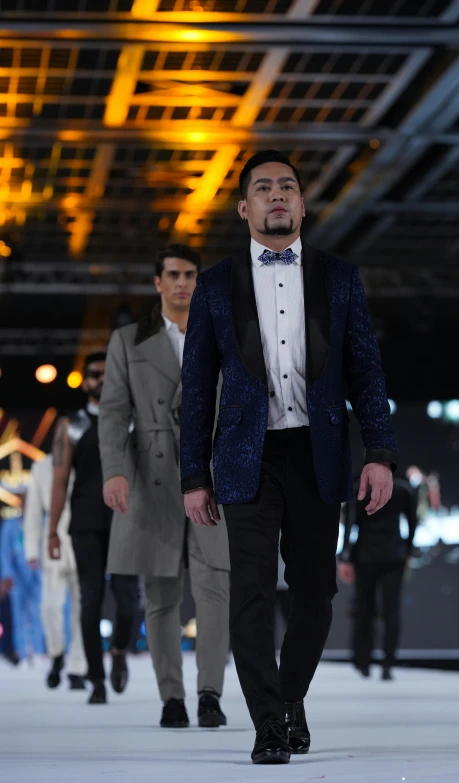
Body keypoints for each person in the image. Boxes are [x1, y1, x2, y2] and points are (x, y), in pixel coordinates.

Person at [180, 150, 398, 764]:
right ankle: (267, 726)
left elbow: (367, 372)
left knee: (315, 593)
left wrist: (379, 451)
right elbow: (196, 387)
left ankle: (289, 698)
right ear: (244, 206)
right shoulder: (216, 284)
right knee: (249, 591)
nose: (276, 196)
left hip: (317, 450)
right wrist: (193, 476)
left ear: (303, 205)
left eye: (287, 187)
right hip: (245, 456)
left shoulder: (339, 278)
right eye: (263, 188)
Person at [99, 244, 230, 729]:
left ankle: (210, 693)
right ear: (158, 282)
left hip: (210, 473)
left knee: (216, 585)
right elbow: (113, 412)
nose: (182, 283)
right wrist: (115, 470)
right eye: (173, 274)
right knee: (162, 593)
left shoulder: (220, 336)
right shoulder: (127, 342)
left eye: (190, 274)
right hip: (151, 474)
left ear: (199, 280)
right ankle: (171, 697)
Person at [48, 352, 139, 705]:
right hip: (85, 522)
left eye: (106, 373)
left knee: (129, 600)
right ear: (84, 380)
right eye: (93, 374)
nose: (99, 380)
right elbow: (59, 482)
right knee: (90, 601)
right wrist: (52, 530)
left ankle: (118, 651)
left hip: (128, 518)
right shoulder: (69, 425)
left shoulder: (133, 420)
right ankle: (96, 679)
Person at [338, 475, 418, 681]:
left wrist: (345, 556)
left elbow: (350, 524)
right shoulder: (403, 488)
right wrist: (408, 551)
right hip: (394, 554)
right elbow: (412, 522)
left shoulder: (360, 488)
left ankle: (363, 662)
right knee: (391, 610)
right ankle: (388, 663)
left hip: (366, 554)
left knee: (365, 608)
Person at [24, 454, 87, 690]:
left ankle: (78, 668)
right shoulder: (40, 468)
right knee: (49, 607)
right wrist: (31, 551)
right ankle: (57, 653)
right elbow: (33, 511)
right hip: (53, 545)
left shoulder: (84, 460)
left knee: (83, 610)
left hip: (83, 543)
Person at [0, 505, 45, 665]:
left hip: (37, 574)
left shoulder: (43, 522)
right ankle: (23, 654)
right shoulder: (10, 524)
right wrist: (7, 575)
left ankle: (39, 652)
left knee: (38, 614)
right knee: (18, 615)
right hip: (16, 575)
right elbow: (4, 551)